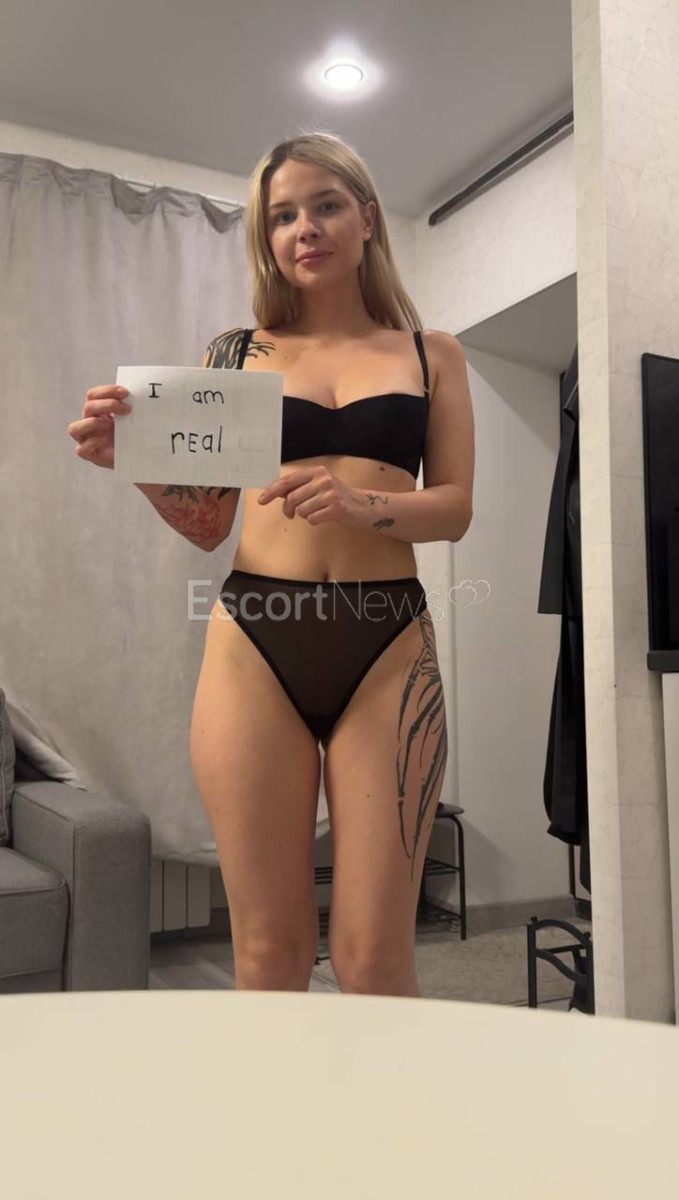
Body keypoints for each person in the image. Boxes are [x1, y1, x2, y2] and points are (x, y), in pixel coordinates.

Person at [67, 131, 475, 997]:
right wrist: (133, 462)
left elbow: (454, 508)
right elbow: (208, 522)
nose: (304, 229)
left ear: (368, 217)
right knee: (266, 955)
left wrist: (363, 504)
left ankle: (384, 1097)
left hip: (387, 640)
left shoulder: (430, 353)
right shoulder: (234, 354)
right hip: (255, 638)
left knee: (374, 959)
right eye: (282, 216)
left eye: (325, 205)